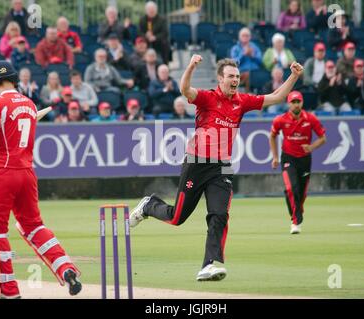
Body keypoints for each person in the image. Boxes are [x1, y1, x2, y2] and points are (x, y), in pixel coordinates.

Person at [129, 56, 304, 281]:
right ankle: (149, 205)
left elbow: (278, 96)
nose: (235, 80)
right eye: (231, 76)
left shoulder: (243, 101)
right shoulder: (207, 98)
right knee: (177, 217)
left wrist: (294, 76)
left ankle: (209, 264)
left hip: (222, 167)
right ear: (220, 79)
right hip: (197, 163)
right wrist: (191, 65)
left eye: (238, 77)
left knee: (220, 214)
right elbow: (184, 89)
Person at [0, 61, 81, 298]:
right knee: (33, 226)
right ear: (15, 79)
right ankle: (66, 268)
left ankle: (7, 290)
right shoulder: (28, 103)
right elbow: (5, 135)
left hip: (2, 173)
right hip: (26, 173)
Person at [269, 90, 326, 234]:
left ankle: (297, 211)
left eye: (298, 102)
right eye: (293, 102)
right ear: (288, 104)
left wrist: (311, 147)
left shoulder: (311, 119)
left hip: (305, 159)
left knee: (301, 192)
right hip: (288, 158)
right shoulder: (280, 120)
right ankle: (295, 222)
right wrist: (275, 157)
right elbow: (272, 136)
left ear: (302, 103)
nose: (295, 105)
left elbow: (323, 138)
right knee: (291, 188)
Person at [230, 27, 263, 92]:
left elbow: (261, 61)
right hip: (241, 73)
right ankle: (247, 93)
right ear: (239, 37)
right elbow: (234, 63)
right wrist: (243, 54)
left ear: (250, 37)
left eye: (247, 36)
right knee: (247, 74)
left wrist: (253, 56)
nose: (245, 37)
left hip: (255, 72)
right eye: (243, 35)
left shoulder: (255, 47)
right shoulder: (235, 48)